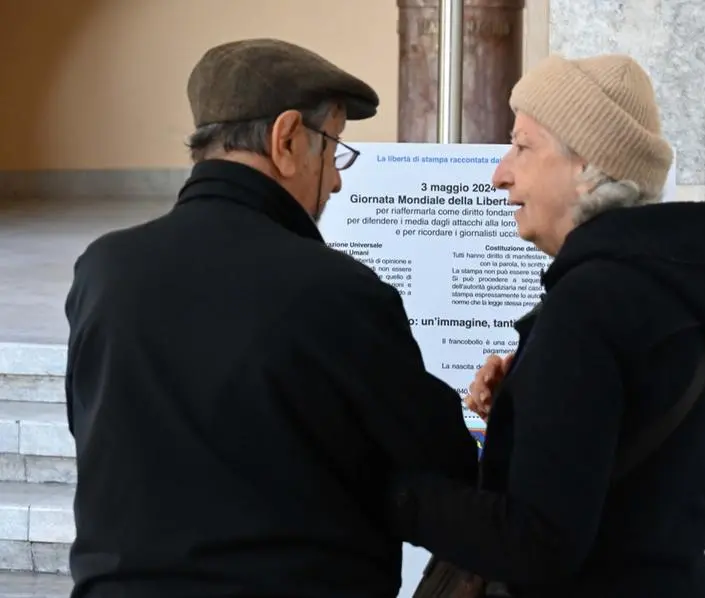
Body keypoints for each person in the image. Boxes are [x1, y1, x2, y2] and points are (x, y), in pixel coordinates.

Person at [64, 38, 477, 598]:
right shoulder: (337, 290)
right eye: (333, 149)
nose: (336, 180)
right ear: (287, 139)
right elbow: (443, 460)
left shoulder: (103, 270)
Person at [385, 54, 705, 597]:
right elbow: (698, 499)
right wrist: (523, 411)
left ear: (588, 168)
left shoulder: (588, 307)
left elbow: (539, 544)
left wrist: (396, 494)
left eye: (522, 146)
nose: (500, 173)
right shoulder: (691, 289)